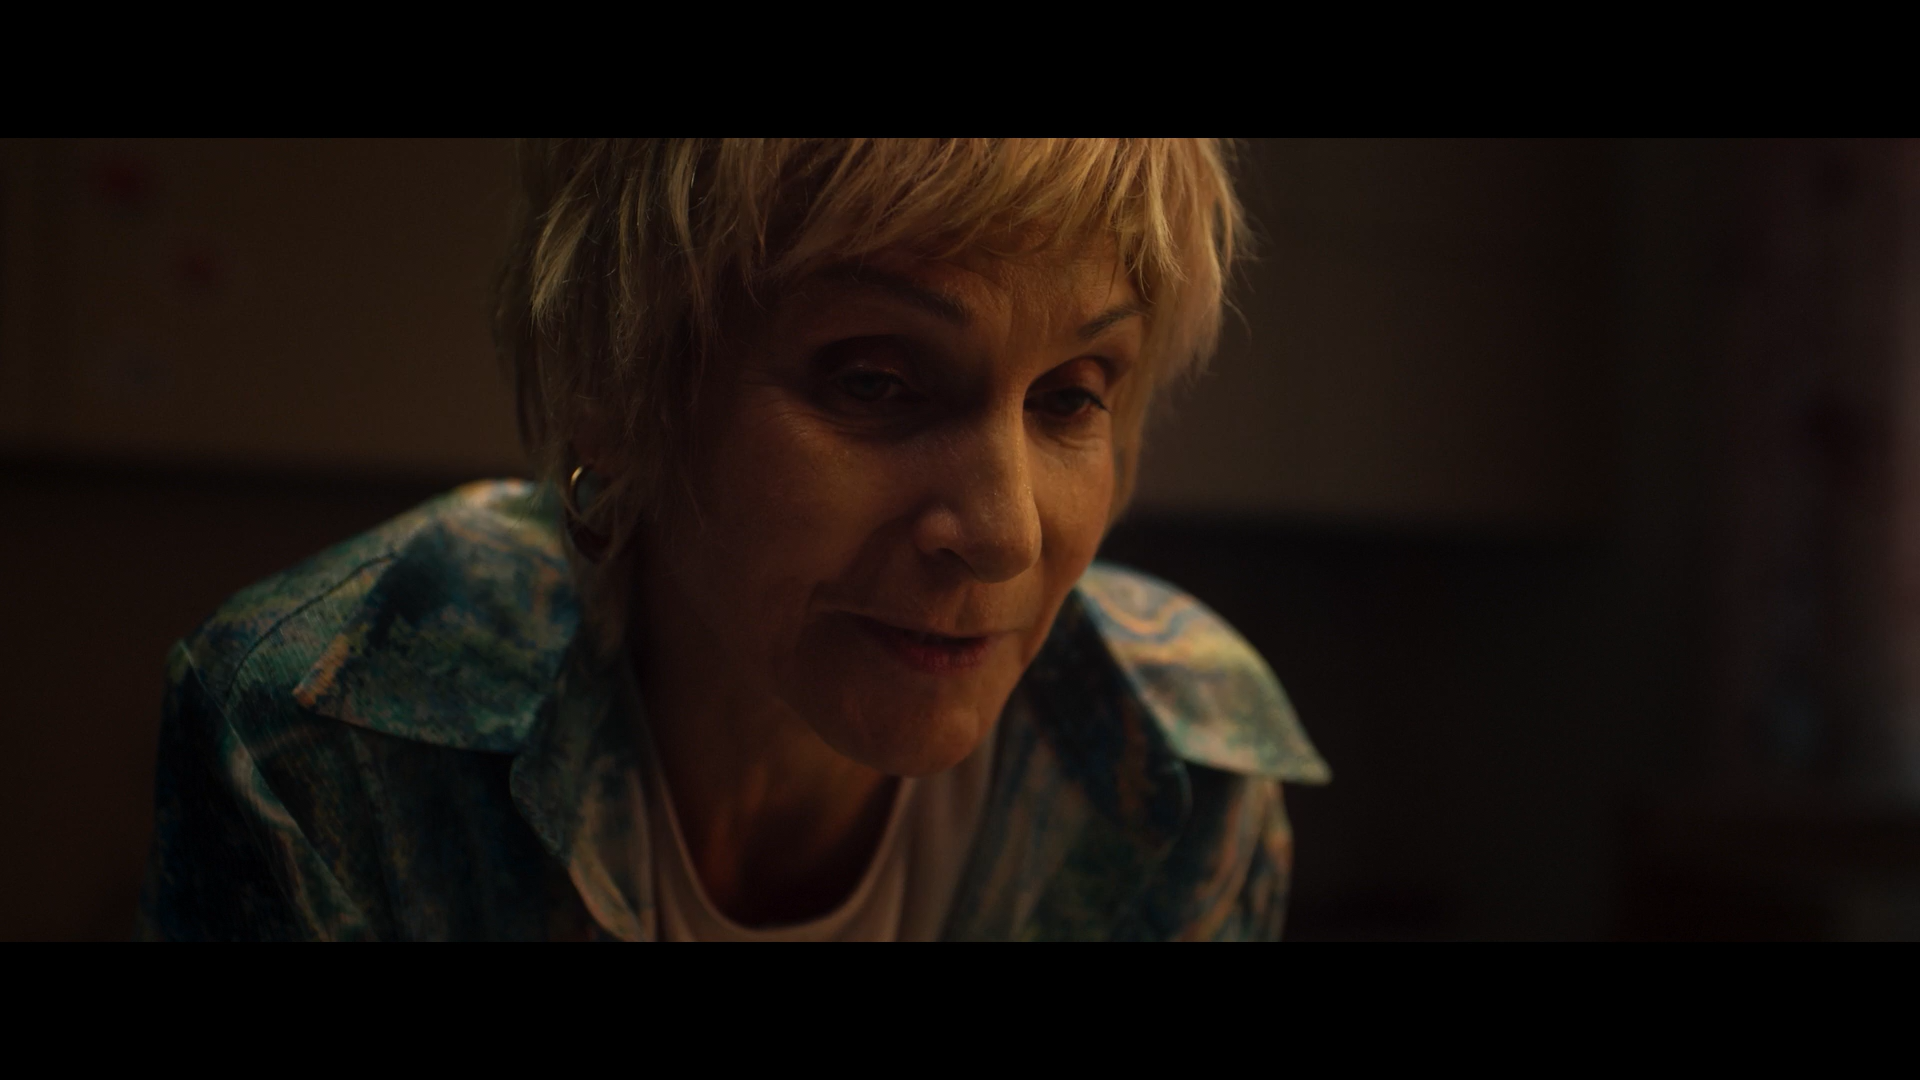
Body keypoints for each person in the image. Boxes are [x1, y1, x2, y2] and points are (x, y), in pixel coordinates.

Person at [137, 139, 1328, 941]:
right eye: (875, 382)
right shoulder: (332, 741)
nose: (1004, 534)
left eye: (1070, 396)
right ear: (620, 382)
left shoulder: (1180, 770)